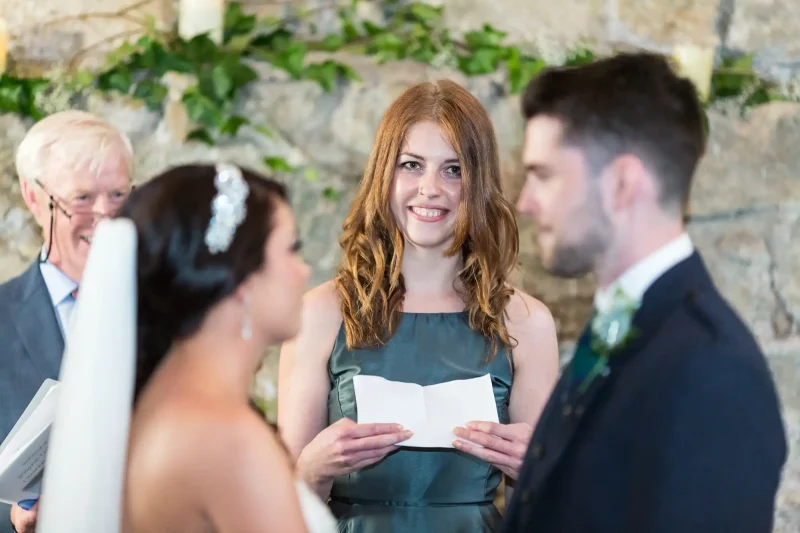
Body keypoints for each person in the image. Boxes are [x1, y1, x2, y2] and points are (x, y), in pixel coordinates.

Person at [504, 52, 787, 533]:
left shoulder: (713, 370)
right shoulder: (623, 321)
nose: (524, 203)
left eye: (544, 174)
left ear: (621, 183)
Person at [278, 79, 560, 532]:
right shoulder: (319, 314)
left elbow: (544, 511)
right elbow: (280, 512)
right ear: (383, 174)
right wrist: (312, 469)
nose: (430, 188)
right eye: (412, 165)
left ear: (480, 182)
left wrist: (542, 474)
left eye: (453, 170)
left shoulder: (527, 323)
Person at [111, 164, 337, 533]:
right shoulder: (228, 438)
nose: (304, 270)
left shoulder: (165, 398)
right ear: (241, 279)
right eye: (291, 250)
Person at [0, 110, 133, 533]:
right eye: (82, 198)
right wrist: (14, 518)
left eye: (118, 195)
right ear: (34, 197)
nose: (105, 215)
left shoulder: (172, 312)